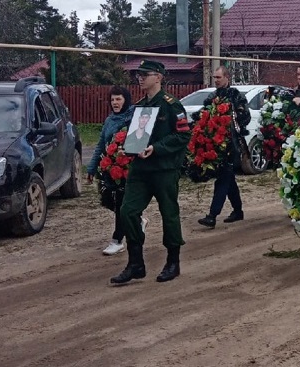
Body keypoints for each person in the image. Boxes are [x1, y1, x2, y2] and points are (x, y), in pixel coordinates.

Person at [111, 59, 191, 285]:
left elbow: (183, 135)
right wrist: (127, 147)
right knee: (127, 211)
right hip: (140, 169)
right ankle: (136, 263)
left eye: (145, 74)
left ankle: (173, 262)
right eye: (139, 74)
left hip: (164, 169)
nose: (140, 78)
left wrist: (156, 148)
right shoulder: (139, 106)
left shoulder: (171, 105)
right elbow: (136, 134)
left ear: (159, 77)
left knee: (169, 214)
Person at [197, 66, 251, 229]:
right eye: (215, 77)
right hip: (215, 143)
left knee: (223, 178)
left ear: (227, 77)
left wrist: (234, 121)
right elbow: (204, 115)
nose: (216, 80)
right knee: (228, 179)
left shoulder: (235, 95)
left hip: (232, 144)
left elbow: (245, 117)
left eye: (219, 77)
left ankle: (212, 216)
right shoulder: (212, 97)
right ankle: (238, 211)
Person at [87, 86, 134, 256]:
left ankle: (117, 240)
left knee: (121, 203)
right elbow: (101, 145)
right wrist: (92, 168)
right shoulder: (109, 120)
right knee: (112, 202)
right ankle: (136, 219)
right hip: (111, 169)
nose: (115, 103)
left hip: (129, 168)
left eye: (118, 99)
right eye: (113, 99)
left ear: (126, 100)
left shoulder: (133, 117)